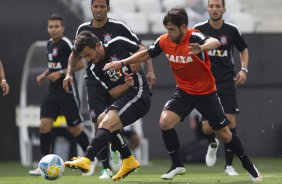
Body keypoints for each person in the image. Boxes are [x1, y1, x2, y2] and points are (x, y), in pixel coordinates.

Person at [104, 7, 262, 182]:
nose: (169, 33)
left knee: (225, 134)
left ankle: (248, 165)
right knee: (164, 122)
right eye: (167, 29)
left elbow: (215, 42)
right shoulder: (164, 40)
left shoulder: (194, 36)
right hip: (184, 91)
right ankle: (177, 165)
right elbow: (148, 53)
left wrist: (201, 48)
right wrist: (122, 62)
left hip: (206, 93)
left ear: (183, 27)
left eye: (172, 29)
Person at [66, 0, 156, 178]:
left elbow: (143, 49)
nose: (88, 59)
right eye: (84, 57)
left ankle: (88, 159)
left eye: (89, 55)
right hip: (128, 92)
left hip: (139, 93)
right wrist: (126, 84)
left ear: (98, 45)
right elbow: (113, 93)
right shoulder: (94, 68)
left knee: (107, 121)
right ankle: (127, 159)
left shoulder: (118, 41)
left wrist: (135, 61)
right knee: (101, 120)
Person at [29, 14, 90, 176]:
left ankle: (90, 159)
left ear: (62, 28)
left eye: (57, 26)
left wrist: (62, 73)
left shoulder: (67, 44)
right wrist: (45, 74)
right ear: (47, 28)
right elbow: (53, 66)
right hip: (52, 92)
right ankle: (44, 164)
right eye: (51, 27)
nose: (53, 29)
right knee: (44, 125)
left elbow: (81, 63)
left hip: (67, 92)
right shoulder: (49, 44)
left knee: (74, 129)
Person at [194, 0, 249, 176]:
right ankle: (212, 143)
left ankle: (229, 166)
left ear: (224, 9)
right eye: (212, 6)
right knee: (207, 128)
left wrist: (244, 69)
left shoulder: (231, 30)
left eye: (218, 6)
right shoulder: (198, 29)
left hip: (226, 81)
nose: (215, 9)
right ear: (207, 8)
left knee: (230, 123)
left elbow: (243, 49)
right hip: (206, 82)